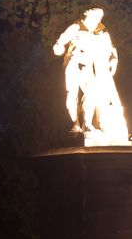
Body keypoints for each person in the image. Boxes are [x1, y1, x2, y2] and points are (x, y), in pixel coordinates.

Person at [53, 7, 129, 141]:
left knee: (92, 93)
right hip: (74, 63)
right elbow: (59, 43)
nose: (97, 20)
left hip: (87, 65)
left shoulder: (101, 30)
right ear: (88, 16)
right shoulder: (76, 27)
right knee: (72, 94)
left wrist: (113, 59)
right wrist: (59, 47)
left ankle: (87, 124)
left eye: (99, 18)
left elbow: (111, 49)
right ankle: (75, 123)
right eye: (95, 17)